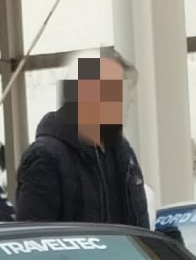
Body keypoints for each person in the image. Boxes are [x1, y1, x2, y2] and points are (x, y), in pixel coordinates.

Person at [15, 55, 149, 228]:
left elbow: (139, 224)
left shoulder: (123, 153)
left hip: (124, 255)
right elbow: (35, 238)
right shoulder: (45, 156)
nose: (128, 105)